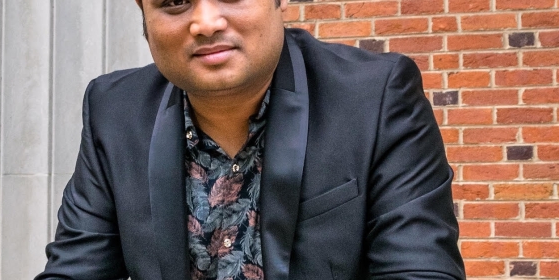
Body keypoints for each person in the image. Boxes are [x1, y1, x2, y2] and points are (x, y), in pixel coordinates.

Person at [36, 0, 466, 279]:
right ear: (145, 21)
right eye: (173, 2)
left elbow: (419, 270)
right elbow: (76, 269)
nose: (205, 23)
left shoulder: (375, 97)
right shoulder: (115, 109)